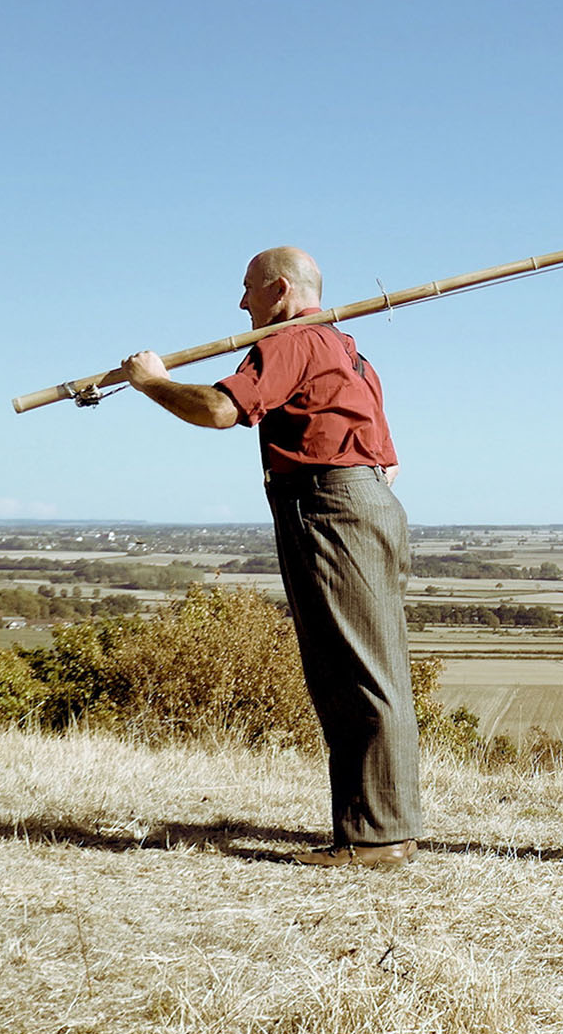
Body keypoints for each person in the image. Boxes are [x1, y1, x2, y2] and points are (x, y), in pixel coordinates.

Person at [120, 246, 424, 868]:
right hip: (362, 503)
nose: (241, 303)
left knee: (356, 672)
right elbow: (388, 464)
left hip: (330, 507)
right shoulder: (351, 353)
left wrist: (150, 383)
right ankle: (380, 826)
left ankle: (377, 838)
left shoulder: (292, 341)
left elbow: (220, 409)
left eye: (247, 290)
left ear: (279, 289)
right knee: (367, 665)